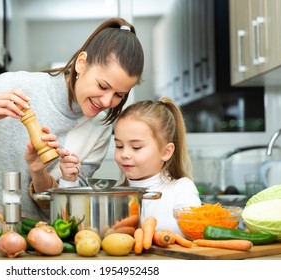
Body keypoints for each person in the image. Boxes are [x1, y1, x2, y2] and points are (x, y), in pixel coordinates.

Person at [0, 17, 144, 220]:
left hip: (34, 243)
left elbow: (65, 211)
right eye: (103, 86)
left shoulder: (99, 129)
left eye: (119, 95)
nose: (106, 101)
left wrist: (39, 171)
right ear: (81, 63)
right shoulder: (20, 86)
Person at [59, 97, 201, 234]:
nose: (125, 154)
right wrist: (69, 181)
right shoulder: (115, 194)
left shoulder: (181, 188)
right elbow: (72, 224)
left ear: (166, 151)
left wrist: (136, 229)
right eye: (119, 146)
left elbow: (192, 229)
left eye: (136, 147)